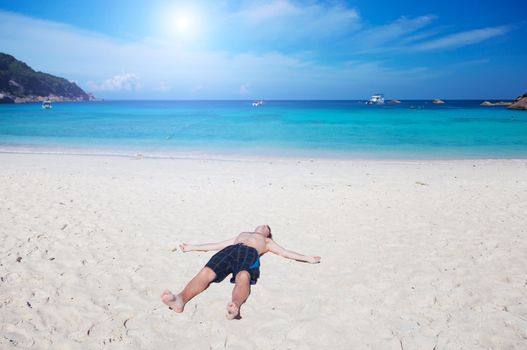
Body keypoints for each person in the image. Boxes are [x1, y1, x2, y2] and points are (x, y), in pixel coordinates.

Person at [161, 224, 321, 320]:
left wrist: (307, 258)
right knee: (206, 272)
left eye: (267, 227)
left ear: (268, 233)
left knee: (243, 275)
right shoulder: (242, 234)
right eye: (264, 224)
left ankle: (235, 306)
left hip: (250, 253)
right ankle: (180, 300)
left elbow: (285, 253)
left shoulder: (267, 241)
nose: (264, 225)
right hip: (231, 250)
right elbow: (218, 244)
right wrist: (193, 247)